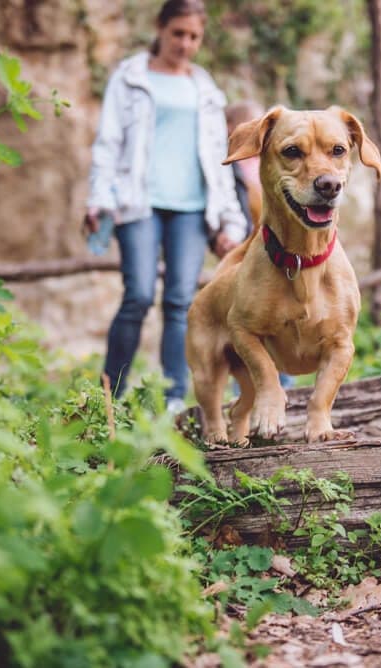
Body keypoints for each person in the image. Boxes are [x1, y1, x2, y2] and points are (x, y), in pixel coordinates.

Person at [84, 0, 246, 413]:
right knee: (137, 294)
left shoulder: (205, 88)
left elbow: (217, 157)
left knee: (179, 303)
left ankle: (174, 398)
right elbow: (108, 141)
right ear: (160, 28)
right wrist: (100, 197)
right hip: (138, 202)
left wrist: (229, 217)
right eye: (178, 33)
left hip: (192, 209)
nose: (185, 44)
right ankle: (111, 395)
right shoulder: (130, 77)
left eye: (194, 36)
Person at [223, 100, 295, 390]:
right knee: (246, 326)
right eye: (251, 124)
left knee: (282, 321)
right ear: (233, 129)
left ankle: (285, 387)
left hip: (277, 251)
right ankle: (243, 392)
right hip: (243, 252)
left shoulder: (274, 161)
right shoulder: (228, 166)